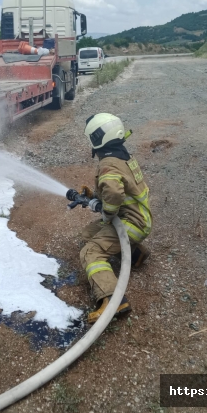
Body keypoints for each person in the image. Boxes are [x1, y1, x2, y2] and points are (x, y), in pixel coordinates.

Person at [80, 113, 153, 324]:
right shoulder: (122, 156)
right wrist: (93, 197)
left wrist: (107, 213)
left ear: (100, 137)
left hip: (130, 223)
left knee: (90, 252)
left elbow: (113, 193)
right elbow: (121, 189)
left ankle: (113, 298)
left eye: (93, 137)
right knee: (87, 234)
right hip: (139, 218)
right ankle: (136, 252)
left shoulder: (108, 163)